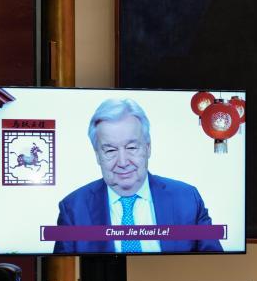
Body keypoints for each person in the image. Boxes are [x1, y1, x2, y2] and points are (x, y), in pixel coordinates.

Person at [54, 98, 223, 254]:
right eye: (110, 150)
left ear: (148, 148)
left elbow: (214, 264)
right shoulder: (73, 209)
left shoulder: (187, 199)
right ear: (98, 155)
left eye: (132, 148)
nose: (123, 162)